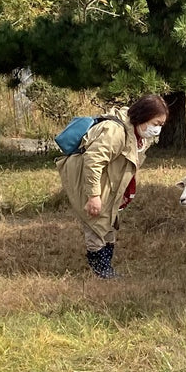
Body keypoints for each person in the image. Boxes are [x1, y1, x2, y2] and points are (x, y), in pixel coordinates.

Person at [57, 95, 168, 278]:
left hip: (108, 181)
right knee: (95, 221)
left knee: (109, 222)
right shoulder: (115, 132)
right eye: (156, 123)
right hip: (88, 179)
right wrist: (93, 196)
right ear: (143, 116)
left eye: (161, 125)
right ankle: (100, 271)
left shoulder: (137, 135)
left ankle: (106, 266)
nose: (157, 129)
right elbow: (93, 161)